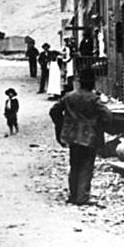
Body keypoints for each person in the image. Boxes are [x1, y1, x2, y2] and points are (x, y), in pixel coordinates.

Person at [49, 71, 112, 206]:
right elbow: (107, 115)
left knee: (75, 165)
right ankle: (82, 197)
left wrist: (62, 125)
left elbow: (54, 111)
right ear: (92, 83)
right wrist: (98, 126)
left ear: (80, 82)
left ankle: (73, 195)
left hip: (71, 135)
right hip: (89, 136)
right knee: (86, 165)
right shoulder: (94, 99)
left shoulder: (69, 97)